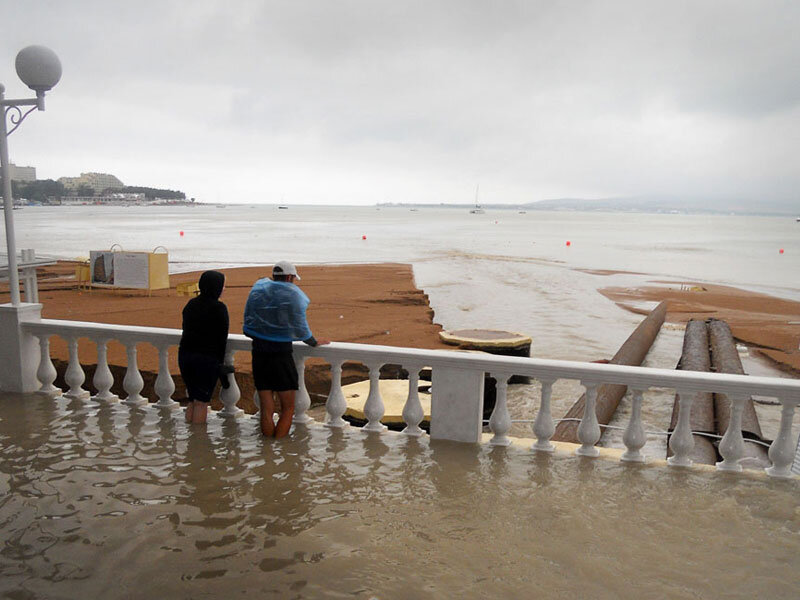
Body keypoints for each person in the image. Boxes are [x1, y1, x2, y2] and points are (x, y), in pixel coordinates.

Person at [243, 261, 330, 438]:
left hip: (259, 355)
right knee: (288, 408)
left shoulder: (260, 290)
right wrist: (313, 342)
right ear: (290, 277)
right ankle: (279, 446)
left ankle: (267, 448)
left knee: (266, 409)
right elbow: (300, 325)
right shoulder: (292, 295)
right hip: (281, 357)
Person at [178, 270, 231, 424]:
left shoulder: (191, 304)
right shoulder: (219, 308)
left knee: (193, 399)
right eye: (223, 285)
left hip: (185, 356)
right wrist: (220, 364)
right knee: (201, 402)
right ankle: (198, 436)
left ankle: (190, 433)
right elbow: (222, 339)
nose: (224, 289)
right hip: (206, 360)